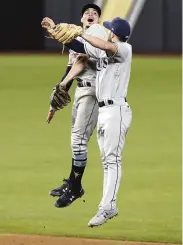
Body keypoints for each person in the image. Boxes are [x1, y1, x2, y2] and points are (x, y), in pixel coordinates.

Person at [58, 17, 133, 227]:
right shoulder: (103, 52)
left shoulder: (124, 48)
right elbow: (80, 47)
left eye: (109, 29)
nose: (106, 31)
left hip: (116, 110)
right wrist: (56, 29)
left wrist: (81, 32)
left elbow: (103, 44)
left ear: (114, 32)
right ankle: (108, 206)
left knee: (112, 160)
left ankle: (108, 207)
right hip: (105, 111)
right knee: (107, 161)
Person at [41, 4, 108, 208]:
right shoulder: (79, 38)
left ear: (98, 20)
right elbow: (70, 70)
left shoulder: (100, 37)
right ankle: (72, 182)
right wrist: (54, 103)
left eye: (95, 13)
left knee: (78, 141)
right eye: (87, 13)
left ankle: (76, 187)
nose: (90, 14)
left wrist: (56, 31)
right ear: (81, 20)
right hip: (81, 91)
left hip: (93, 93)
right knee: (75, 140)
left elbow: (82, 49)